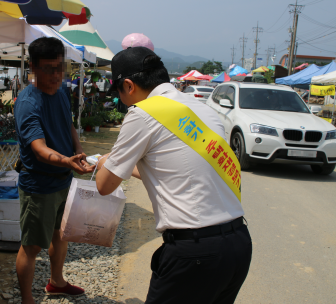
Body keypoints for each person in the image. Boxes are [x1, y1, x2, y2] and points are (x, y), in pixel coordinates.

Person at [95, 47, 252, 304]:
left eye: (119, 92)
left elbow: (104, 185)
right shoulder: (202, 109)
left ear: (128, 85)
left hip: (195, 253)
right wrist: (117, 165)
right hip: (238, 245)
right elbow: (170, 171)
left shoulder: (143, 113)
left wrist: (105, 163)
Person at [14, 37, 95, 304]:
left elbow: (68, 125)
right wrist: (66, 161)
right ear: (32, 67)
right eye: (48, 68)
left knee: (61, 234)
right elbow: (38, 149)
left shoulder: (60, 92)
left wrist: (78, 152)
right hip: (39, 184)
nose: (56, 74)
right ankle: (27, 299)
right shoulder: (28, 103)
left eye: (60, 67)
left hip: (63, 180)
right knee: (32, 246)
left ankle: (56, 282)